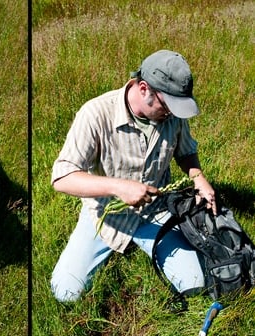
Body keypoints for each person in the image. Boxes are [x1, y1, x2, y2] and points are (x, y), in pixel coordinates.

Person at [50, 50, 217, 303]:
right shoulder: (95, 114)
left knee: (194, 283)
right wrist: (118, 187)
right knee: (65, 292)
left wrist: (198, 177)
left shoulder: (171, 115)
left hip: (155, 212)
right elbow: (62, 177)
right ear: (143, 89)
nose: (171, 114)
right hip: (106, 217)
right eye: (168, 106)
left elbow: (186, 152)